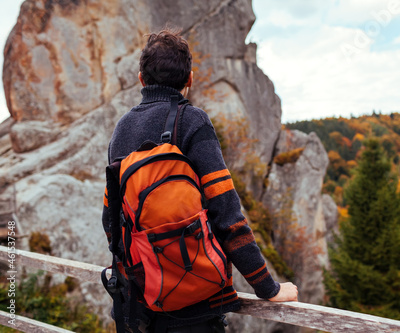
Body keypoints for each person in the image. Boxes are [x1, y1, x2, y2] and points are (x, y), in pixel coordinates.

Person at [102, 26, 298, 332]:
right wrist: (268, 288)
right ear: (189, 79)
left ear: (142, 80)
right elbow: (228, 217)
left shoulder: (122, 129)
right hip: (194, 306)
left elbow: (111, 221)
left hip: (137, 306)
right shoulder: (193, 121)